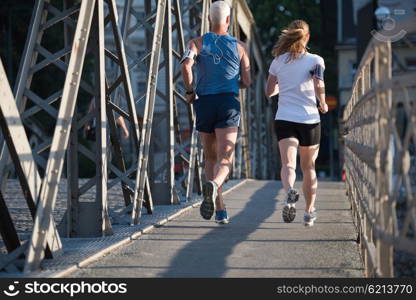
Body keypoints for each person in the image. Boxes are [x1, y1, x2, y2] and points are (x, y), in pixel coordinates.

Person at [181, 1, 251, 224]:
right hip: (227, 103)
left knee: (210, 157)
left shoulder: (197, 43)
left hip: (204, 103)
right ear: (229, 21)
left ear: (209, 19)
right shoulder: (240, 47)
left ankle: (220, 210)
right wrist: (230, 83)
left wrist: (190, 91)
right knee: (225, 157)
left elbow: (185, 66)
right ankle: (214, 186)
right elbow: (247, 81)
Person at [265, 20, 328, 227]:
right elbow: (319, 84)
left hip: (284, 118)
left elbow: (269, 91)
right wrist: (323, 103)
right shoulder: (315, 60)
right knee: (308, 167)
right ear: (307, 37)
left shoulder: (278, 62)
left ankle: (290, 192)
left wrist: (282, 87)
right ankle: (309, 212)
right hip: (309, 119)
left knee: (288, 164)